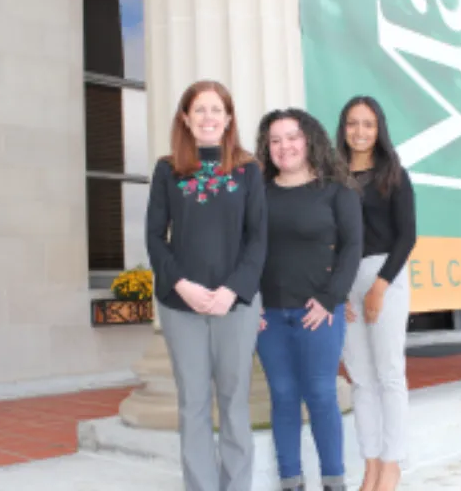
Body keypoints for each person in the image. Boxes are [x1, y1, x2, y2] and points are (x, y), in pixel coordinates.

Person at [145, 79, 267, 491]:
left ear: (229, 118)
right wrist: (181, 284)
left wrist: (233, 289)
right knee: (193, 403)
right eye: (200, 110)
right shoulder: (167, 169)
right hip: (182, 305)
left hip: (236, 302)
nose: (208, 117)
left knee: (234, 403)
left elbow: (258, 237)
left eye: (217, 110)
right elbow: (153, 237)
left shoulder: (249, 170)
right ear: (185, 117)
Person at [255, 108, 363, 491]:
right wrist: (251, 302)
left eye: (292, 137)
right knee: (283, 398)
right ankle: (291, 482)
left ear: (309, 140)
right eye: (276, 140)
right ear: (267, 149)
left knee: (320, 395)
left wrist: (331, 298)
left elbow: (352, 248)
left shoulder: (336, 191)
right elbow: (245, 250)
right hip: (269, 319)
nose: (285, 146)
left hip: (318, 313)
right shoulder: (259, 194)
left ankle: (334, 481)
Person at [336, 96, 417, 491]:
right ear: (343, 128)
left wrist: (380, 286)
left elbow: (407, 236)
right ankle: (370, 464)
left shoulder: (394, 174)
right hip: (345, 280)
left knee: (388, 374)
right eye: (353, 123)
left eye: (368, 124)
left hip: (386, 275)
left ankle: (392, 463)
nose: (360, 131)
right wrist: (336, 291)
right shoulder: (333, 177)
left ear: (379, 128)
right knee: (360, 380)